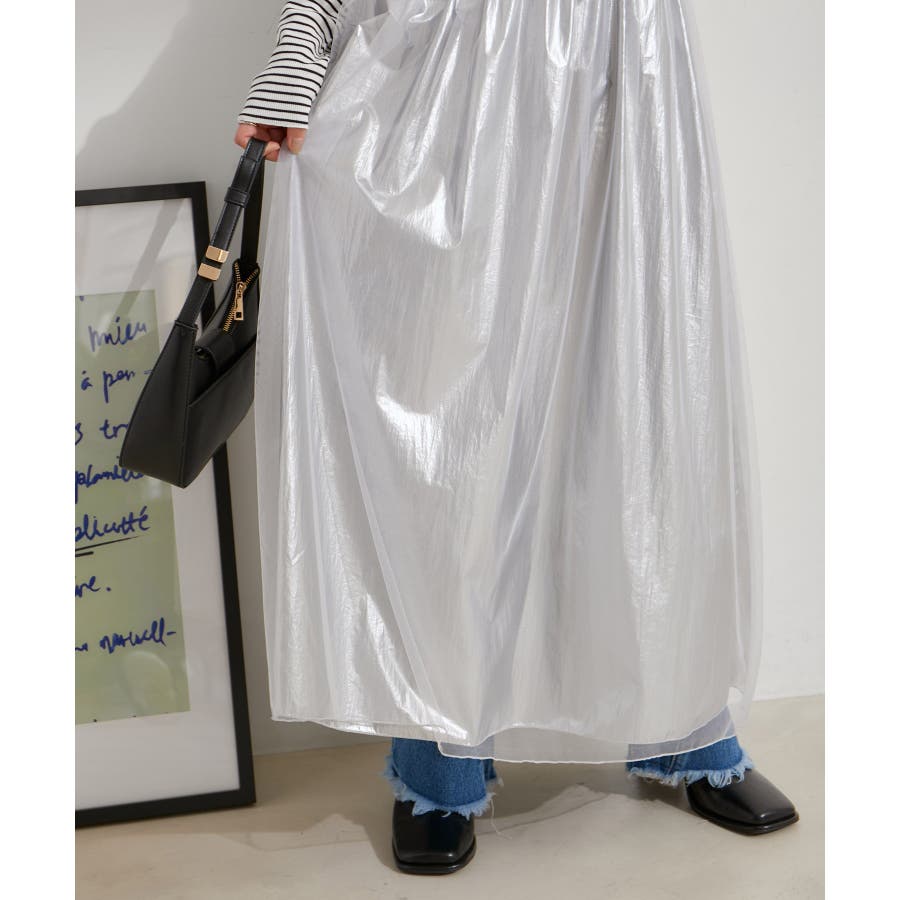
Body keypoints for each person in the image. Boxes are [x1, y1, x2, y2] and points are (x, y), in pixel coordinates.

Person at [234, 0, 799, 875]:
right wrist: (300, 51)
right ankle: (440, 764)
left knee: (647, 405)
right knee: (455, 437)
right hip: (463, 74)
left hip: (632, 63)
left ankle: (688, 730)